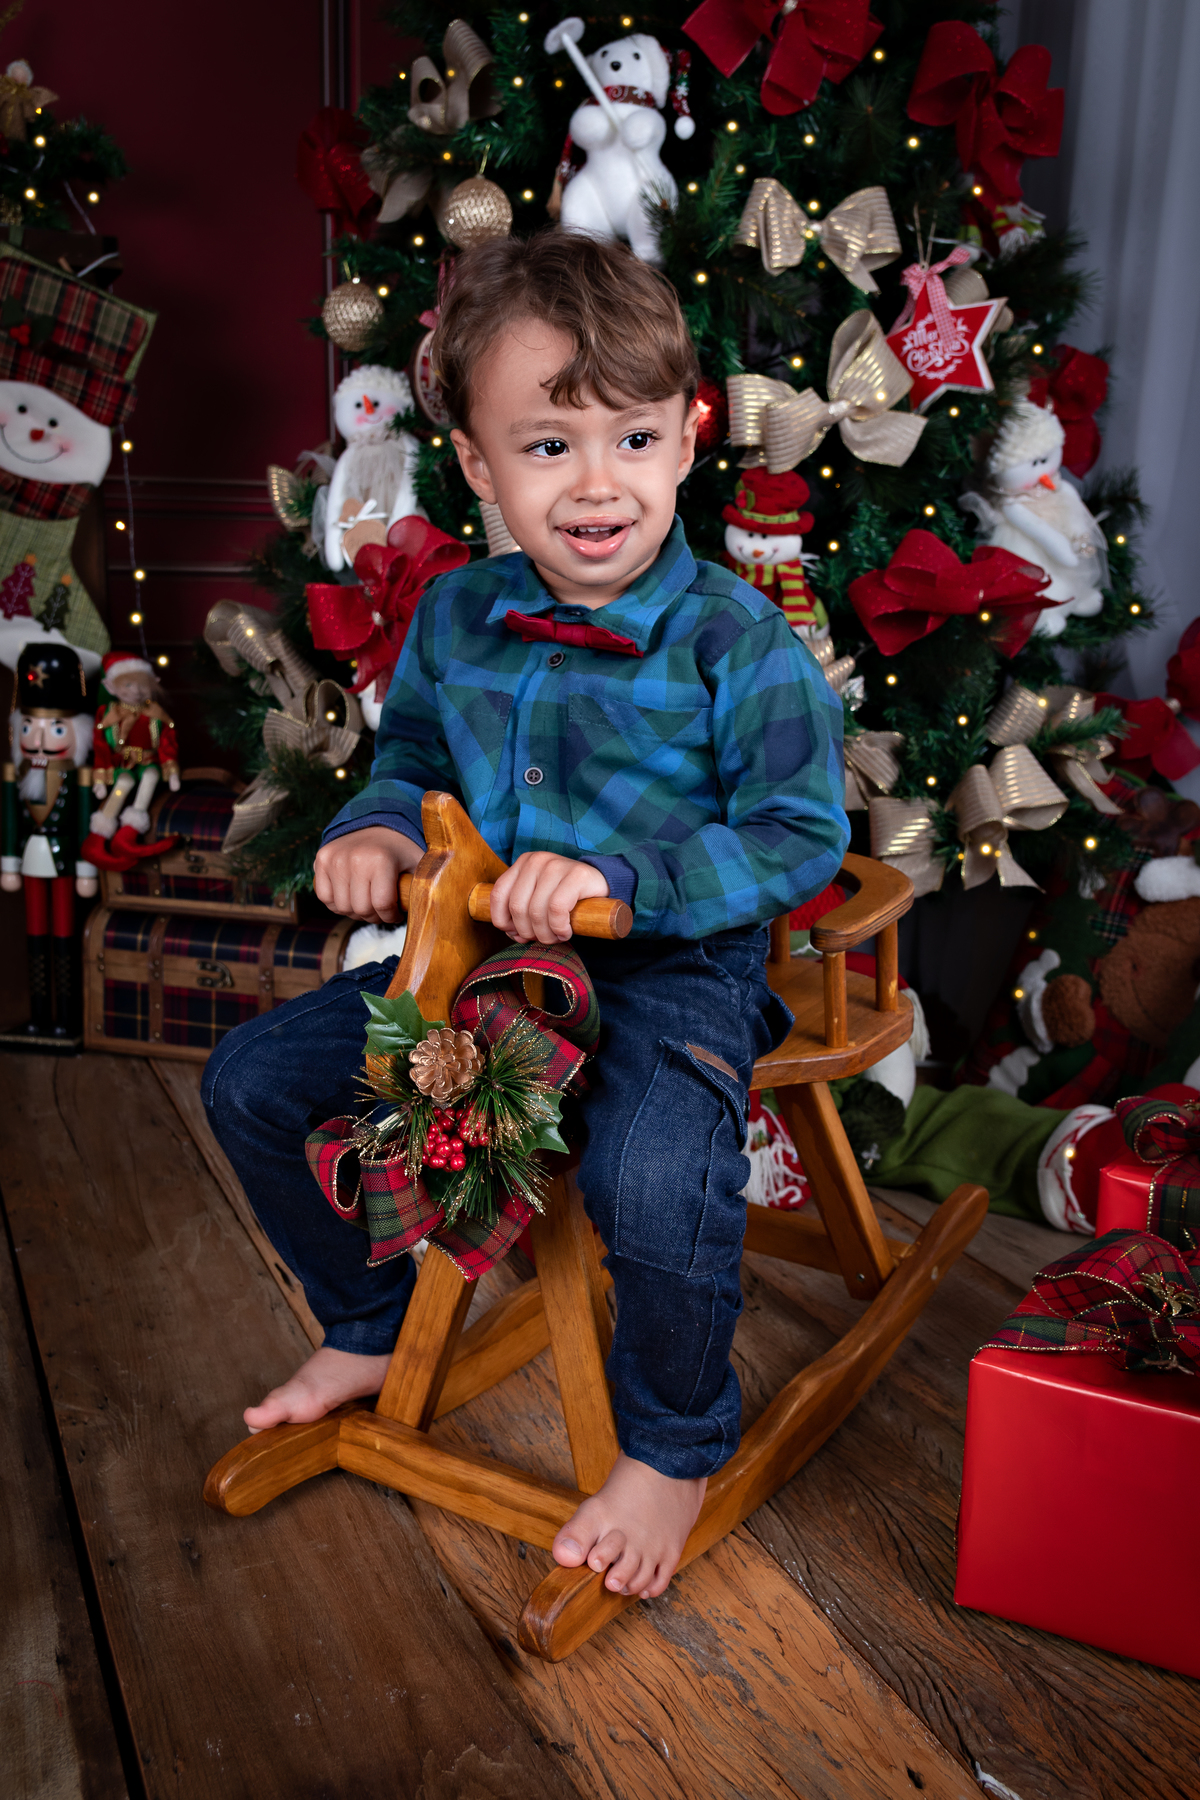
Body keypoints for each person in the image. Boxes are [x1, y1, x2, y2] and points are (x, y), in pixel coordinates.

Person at [203, 232, 848, 1602]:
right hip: (486, 966)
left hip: (675, 971)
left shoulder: (739, 642)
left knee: (648, 1177)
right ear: (480, 467)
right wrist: (378, 828)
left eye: (634, 437)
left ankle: (672, 1443)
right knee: (254, 1081)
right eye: (548, 447)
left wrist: (627, 886)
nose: (598, 482)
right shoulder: (456, 616)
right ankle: (371, 1321)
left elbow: (800, 836)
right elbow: (410, 758)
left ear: (689, 439)